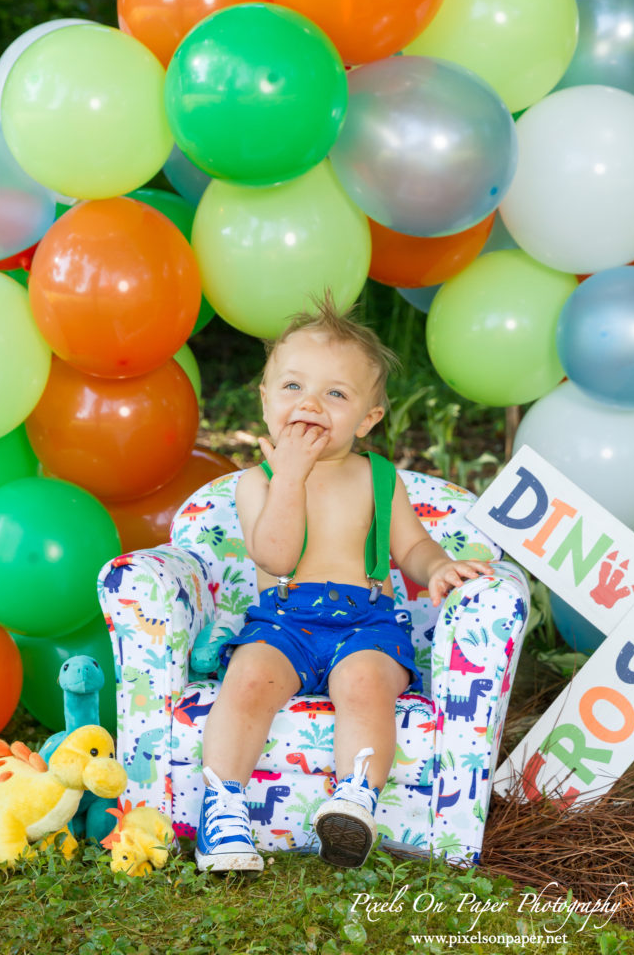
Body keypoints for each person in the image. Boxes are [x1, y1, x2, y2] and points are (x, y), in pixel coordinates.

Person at [195, 297, 492, 873]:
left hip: (369, 621)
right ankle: (224, 807)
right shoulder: (257, 483)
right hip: (283, 620)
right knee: (248, 678)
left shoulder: (379, 478)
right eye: (292, 387)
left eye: (335, 394)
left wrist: (436, 569)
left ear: (367, 419)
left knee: (365, 684)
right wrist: (291, 477)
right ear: (264, 399)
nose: (310, 404)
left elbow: (411, 547)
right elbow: (276, 558)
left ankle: (355, 798)